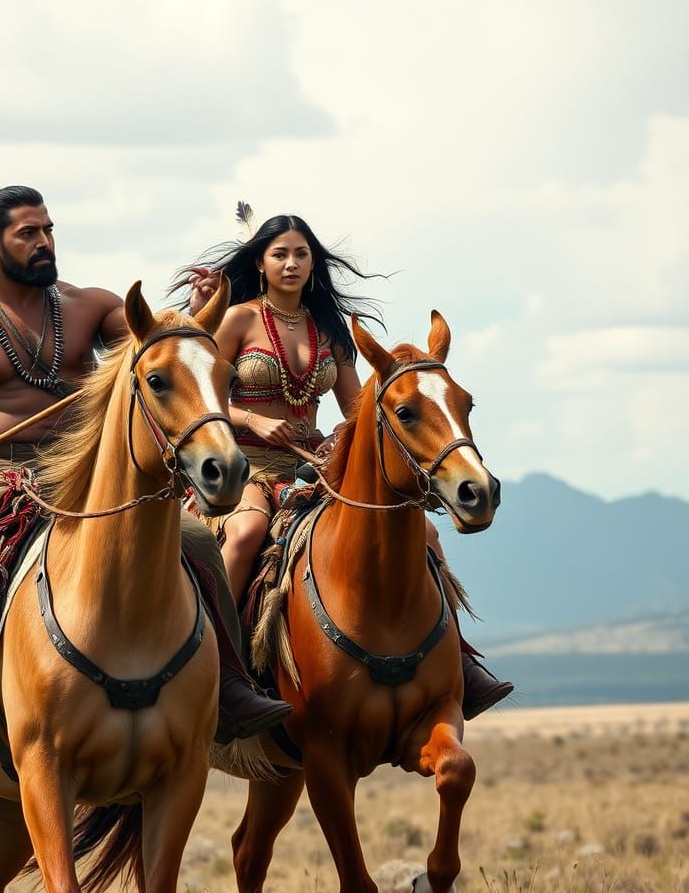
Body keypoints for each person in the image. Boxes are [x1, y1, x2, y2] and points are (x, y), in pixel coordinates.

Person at [0, 156, 291, 767]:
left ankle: (235, 687)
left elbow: (158, 346)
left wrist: (194, 309)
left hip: (82, 474)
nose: (44, 242)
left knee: (195, 538)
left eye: (49, 229)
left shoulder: (91, 307)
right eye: (28, 233)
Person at [174, 208, 513, 719]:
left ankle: (459, 659)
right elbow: (201, 394)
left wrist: (346, 435)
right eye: (280, 254)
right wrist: (254, 420)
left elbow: (356, 408)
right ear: (260, 264)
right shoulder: (238, 318)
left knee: (426, 533)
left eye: (301, 254)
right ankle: (222, 670)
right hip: (246, 462)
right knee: (246, 532)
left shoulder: (328, 328)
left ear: (314, 263)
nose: (292, 263)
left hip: (313, 464)